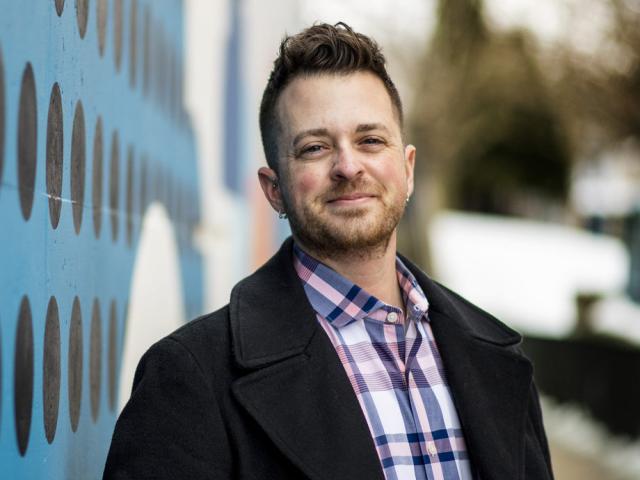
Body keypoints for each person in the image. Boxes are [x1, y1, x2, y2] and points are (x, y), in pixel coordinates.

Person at [103, 22, 553, 480]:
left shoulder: (499, 360)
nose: (348, 166)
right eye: (315, 147)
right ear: (274, 189)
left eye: (371, 140)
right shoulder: (190, 378)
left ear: (408, 167)